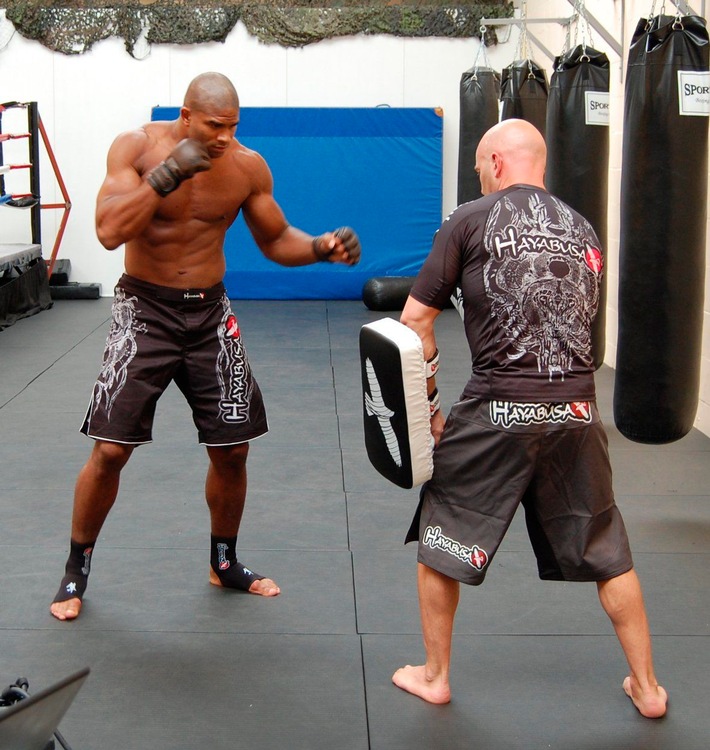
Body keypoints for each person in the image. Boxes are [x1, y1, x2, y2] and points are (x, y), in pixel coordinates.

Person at [50, 72, 361, 622]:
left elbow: (275, 239)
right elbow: (108, 230)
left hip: (210, 314)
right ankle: (76, 568)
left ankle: (224, 561)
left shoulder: (246, 166)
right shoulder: (136, 148)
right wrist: (167, 175)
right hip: (145, 310)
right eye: (215, 126)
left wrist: (320, 247)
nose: (225, 137)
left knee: (233, 449)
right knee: (111, 450)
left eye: (233, 126)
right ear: (187, 116)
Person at [392, 119, 667, 718]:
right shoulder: (584, 227)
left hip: (497, 407)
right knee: (607, 547)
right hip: (578, 411)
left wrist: (430, 412)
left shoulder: (468, 219)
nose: (479, 178)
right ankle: (648, 688)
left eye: (478, 169)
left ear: (494, 163)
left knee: (443, 531)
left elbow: (414, 322)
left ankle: (435, 676)